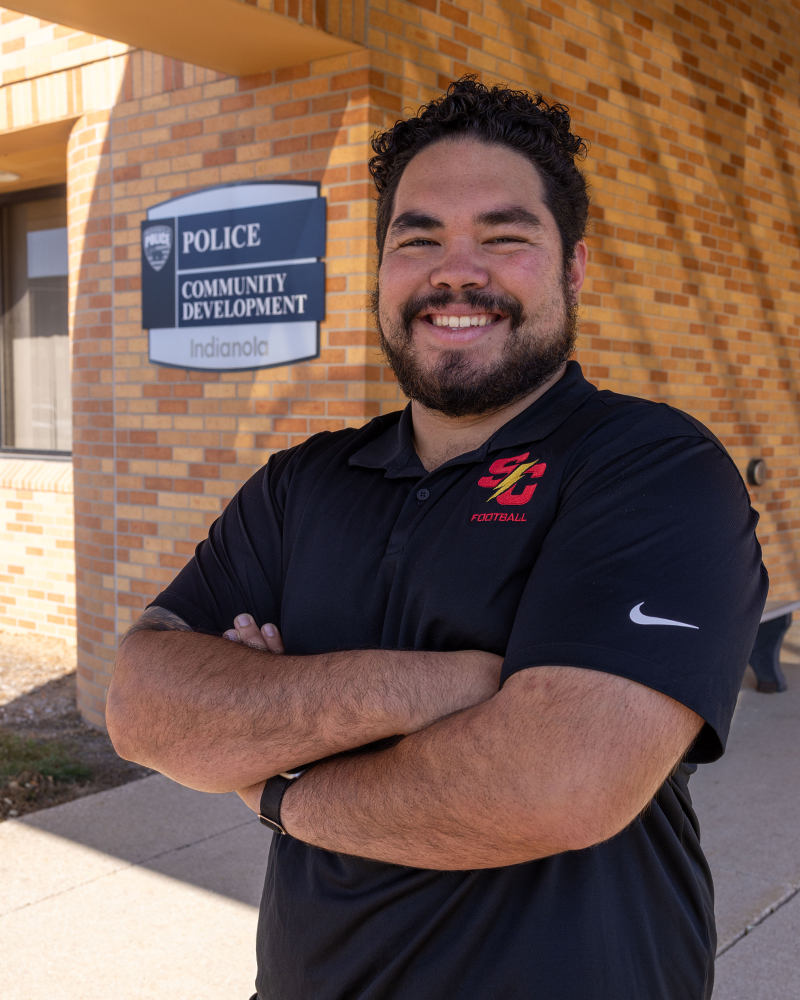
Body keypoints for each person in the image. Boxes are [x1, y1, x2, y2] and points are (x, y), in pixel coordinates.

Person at [108, 78, 767, 1000]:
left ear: (574, 268)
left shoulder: (653, 467)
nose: (457, 274)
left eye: (504, 236)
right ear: (382, 268)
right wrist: (459, 683)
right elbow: (143, 706)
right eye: (418, 239)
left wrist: (278, 785)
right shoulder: (304, 483)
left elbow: (559, 782)